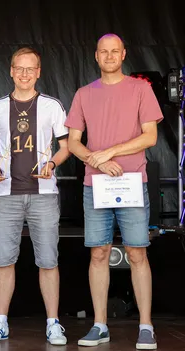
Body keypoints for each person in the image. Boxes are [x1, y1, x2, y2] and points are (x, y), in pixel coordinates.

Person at [65, 33, 163, 350]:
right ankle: (99, 325)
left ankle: (146, 327)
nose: (109, 56)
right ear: (96, 56)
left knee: (137, 253)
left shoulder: (141, 89)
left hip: (132, 181)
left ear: (123, 54)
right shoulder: (83, 93)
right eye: (103, 52)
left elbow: (150, 137)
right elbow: (73, 142)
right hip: (96, 184)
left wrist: (111, 152)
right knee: (98, 253)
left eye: (114, 51)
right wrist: (97, 161)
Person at [0, 47, 71, 346]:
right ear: (10, 71)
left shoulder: (52, 106)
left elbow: (66, 146)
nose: (24, 74)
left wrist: (52, 163)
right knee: (4, 260)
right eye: (18, 68)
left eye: (29, 69)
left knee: (48, 261)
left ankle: (53, 323)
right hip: (6, 193)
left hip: (43, 194)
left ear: (38, 72)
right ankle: (1, 322)